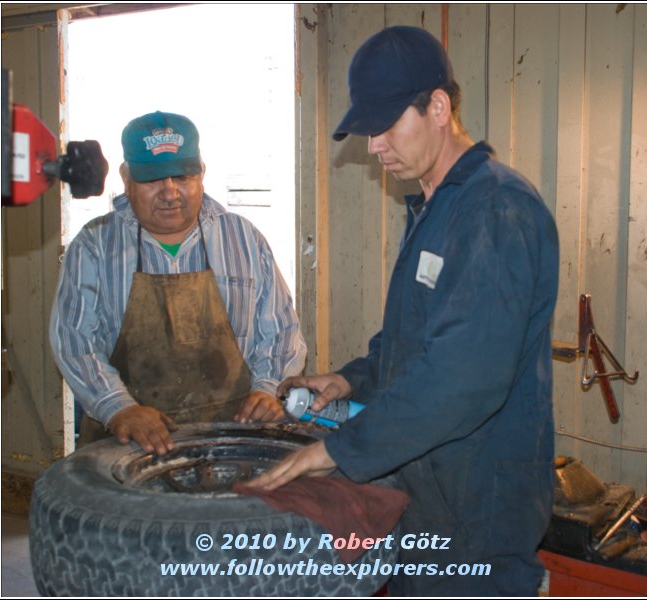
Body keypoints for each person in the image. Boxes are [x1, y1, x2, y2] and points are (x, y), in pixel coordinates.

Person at [246, 26, 559, 597]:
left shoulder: (495, 209)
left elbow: (463, 381)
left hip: (479, 510)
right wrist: (350, 378)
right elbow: (414, 340)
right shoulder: (434, 207)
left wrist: (338, 449)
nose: (374, 146)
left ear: (438, 107)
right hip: (429, 494)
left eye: (388, 125)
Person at [50, 111, 306, 456]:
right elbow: (74, 339)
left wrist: (268, 388)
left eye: (182, 176)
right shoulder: (95, 245)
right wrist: (118, 407)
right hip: (128, 445)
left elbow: (280, 329)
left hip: (233, 439)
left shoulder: (243, 239)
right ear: (126, 178)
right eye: (152, 179)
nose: (170, 193)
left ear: (201, 172)